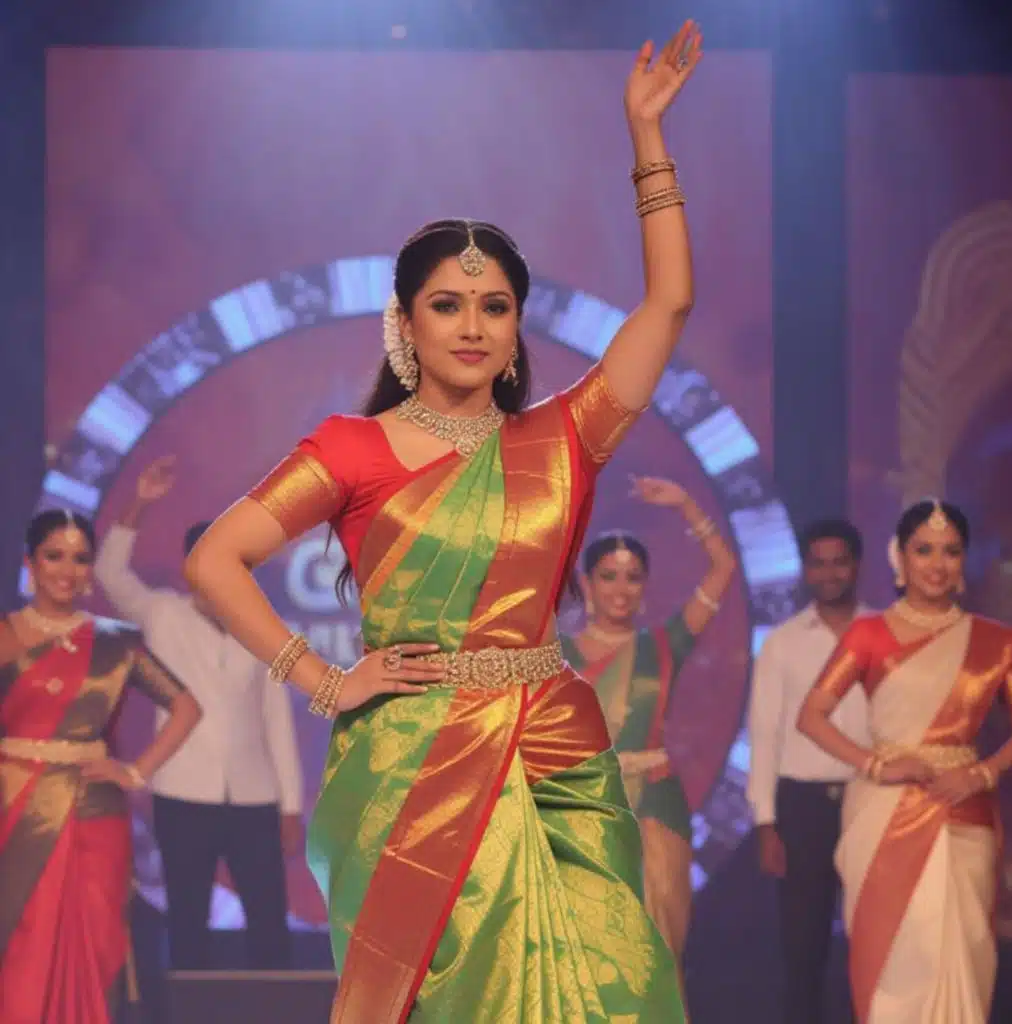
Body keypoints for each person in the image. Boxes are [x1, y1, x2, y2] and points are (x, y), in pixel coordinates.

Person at [184, 21, 701, 1022]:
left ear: (515, 329)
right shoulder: (352, 448)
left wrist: (647, 138)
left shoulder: (566, 436)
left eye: (494, 306)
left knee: (616, 985)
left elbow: (668, 304)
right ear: (406, 321)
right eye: (447, 304)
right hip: (414, 760)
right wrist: (324, 680)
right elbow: (215, 560)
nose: (471, 325)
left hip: (555, 748)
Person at [796, 500, 1012, 1023]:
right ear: (899, 557)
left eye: (950, 551)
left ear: (964, 560)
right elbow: (811, 716)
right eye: (923, 550)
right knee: (894, 963)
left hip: (964, 812)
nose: (937, 564)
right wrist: (878, 766)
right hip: (883, 813)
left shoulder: (996, 641)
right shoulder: (868, 635)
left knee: (961, 952)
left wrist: (982, 773)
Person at [94, 457, 304, 971]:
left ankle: (272, 1006)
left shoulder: (261, 626)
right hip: (183, 793)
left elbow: (276, 721)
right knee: (188, 919)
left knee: (269, 923)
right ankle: (189, 1004)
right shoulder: (163, 613)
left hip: (255, 795)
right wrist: (139, 503)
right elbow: (108, 575)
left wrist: (290, 806)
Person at [0, 510, 200, 1024]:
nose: (67, 570)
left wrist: (134, 772)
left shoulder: (117, 642)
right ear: (29, 562)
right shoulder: (6, 635)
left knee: (97, 937)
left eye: (80, 559)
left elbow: (186, 708)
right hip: (15, 807)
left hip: (95, 812)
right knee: (21, 943)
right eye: (54, 556)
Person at [560, 477, 736, 1004]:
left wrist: (686, 504)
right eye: (608, 576)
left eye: (634, 578)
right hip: (581, 807)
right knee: (582, 949)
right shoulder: (556, 652)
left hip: (657, 805)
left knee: (657, 943)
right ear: (586, 583)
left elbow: (723, 568)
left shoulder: (665, 644)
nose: (621, 588)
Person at [746, 518, 869, 1024]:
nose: (829, 573)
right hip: (803, 808)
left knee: (876, 941)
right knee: (803, 947)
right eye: (818, 563)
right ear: (804, 569)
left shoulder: (886, 633)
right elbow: (764, 735)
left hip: (873, 800)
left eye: (839, 562)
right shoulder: (783, 642)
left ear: (857, 565)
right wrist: (766, 823)